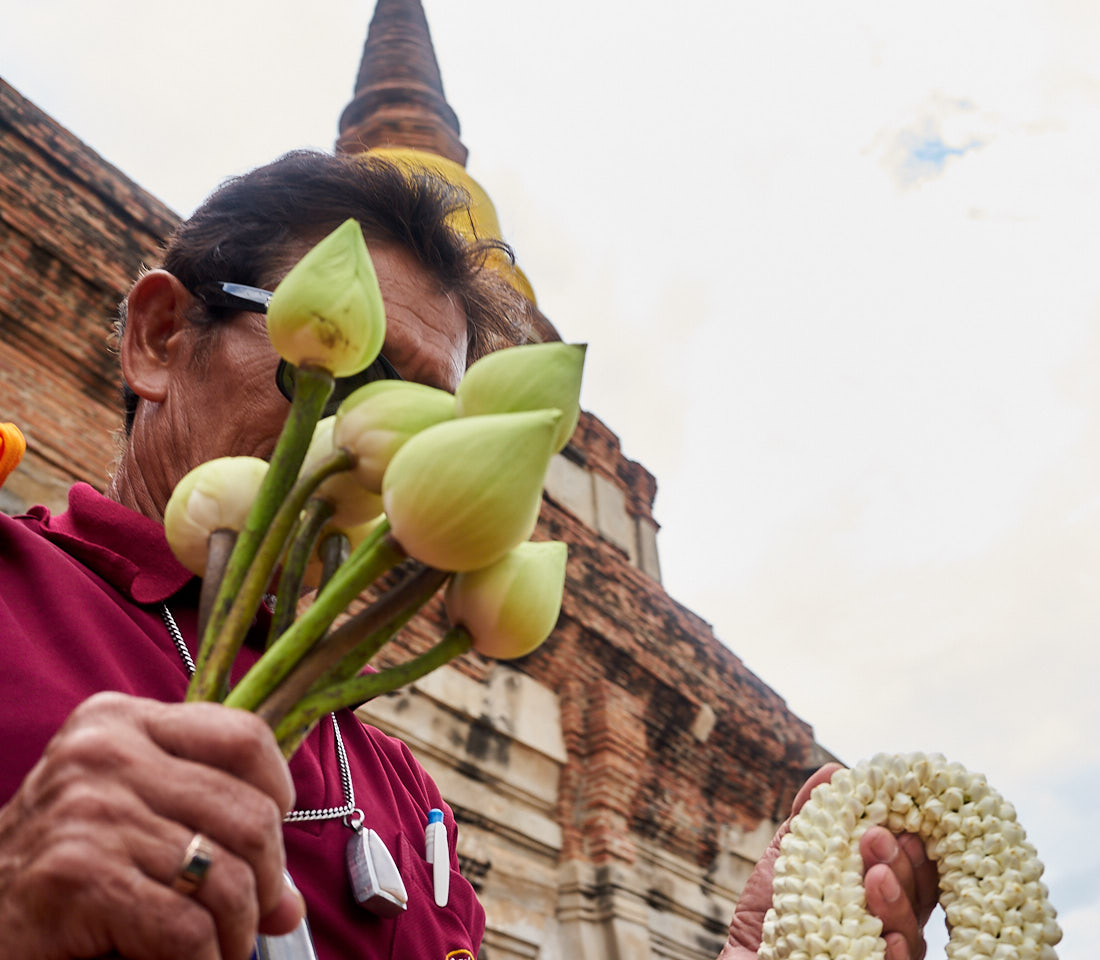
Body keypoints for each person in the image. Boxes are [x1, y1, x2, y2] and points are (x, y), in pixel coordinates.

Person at [0, 151, 936, 959]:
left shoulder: (398, 792)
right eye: (345, 370)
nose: (381, 437)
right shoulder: (19, 596)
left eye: (437, 423)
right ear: (161, 340)